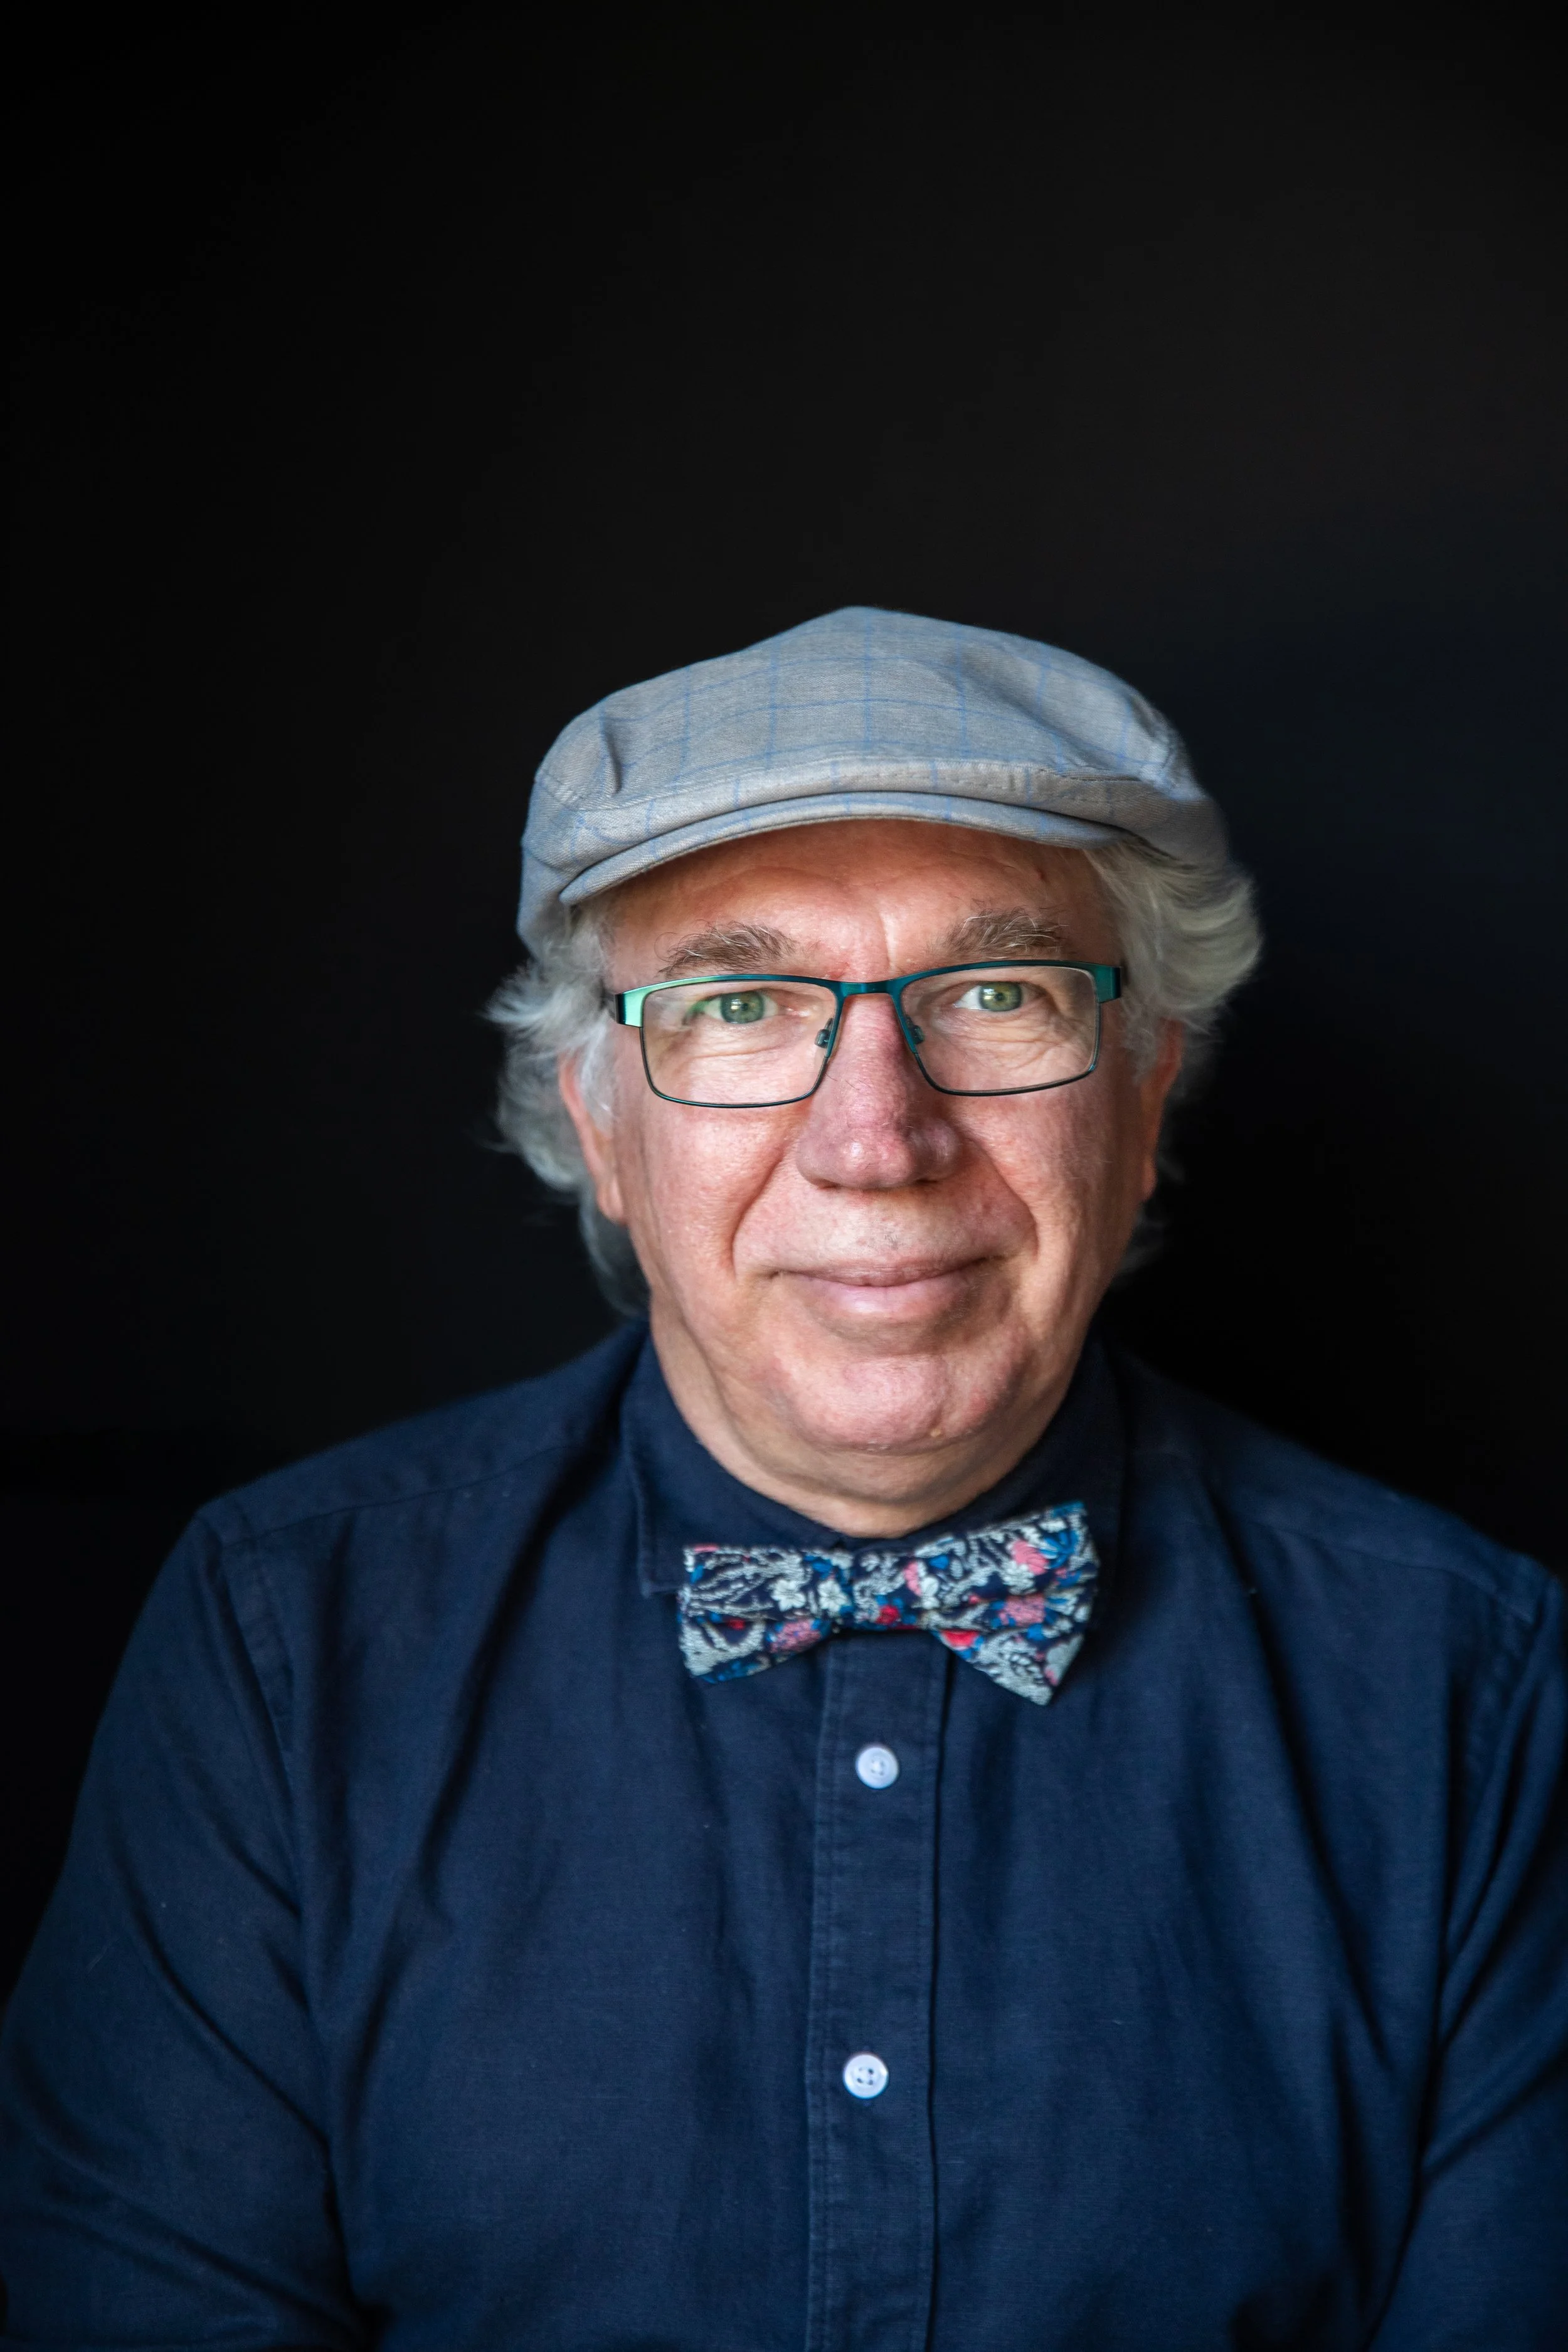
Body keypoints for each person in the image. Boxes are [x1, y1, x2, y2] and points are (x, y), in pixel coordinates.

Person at [1, 607, 1564, 2349]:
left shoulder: (1473, 1690)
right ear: (599, 1120)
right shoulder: (276, 1641)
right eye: (743, 1005)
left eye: (995, 993)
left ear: (1143, 1087)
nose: (874, 1137)